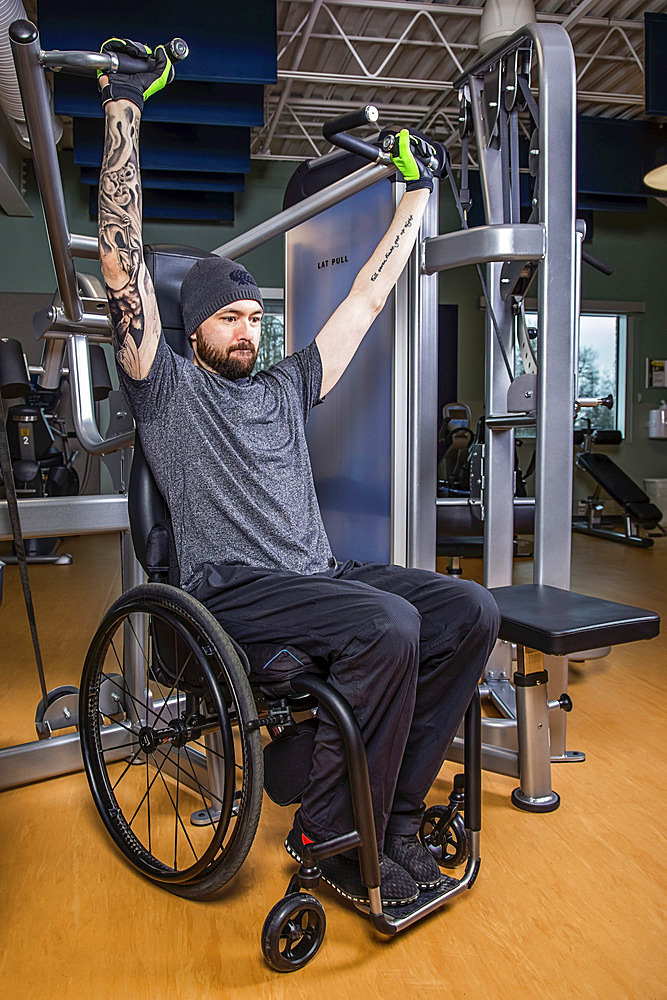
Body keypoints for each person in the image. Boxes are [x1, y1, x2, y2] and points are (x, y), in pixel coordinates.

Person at [97, 40, 500, 908]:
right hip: (233, 589)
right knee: (387, 625)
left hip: (318, 576)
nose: (245, 329)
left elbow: (363, 300)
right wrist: (123, 109)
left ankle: (388, 816)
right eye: (226, 319)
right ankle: (331, 830)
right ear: (193, 331)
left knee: (470, 609)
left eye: (253, 315)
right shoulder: (165, 393)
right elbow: (121, 264)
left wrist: (417, 200)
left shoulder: (285, 385)